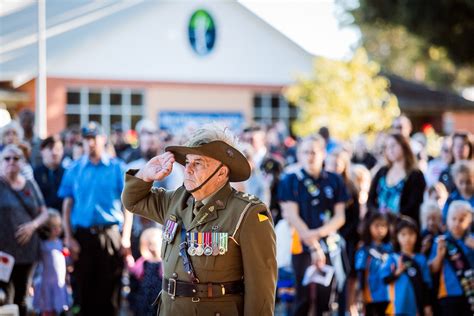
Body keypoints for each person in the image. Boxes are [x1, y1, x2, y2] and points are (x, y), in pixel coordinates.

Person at [121, 124, 277, 315]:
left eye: (198, 163)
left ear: (221, 173)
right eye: (187, 162)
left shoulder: (248, 213)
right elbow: (133, 201)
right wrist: (144, 175)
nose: (188, 170)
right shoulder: (176, 200)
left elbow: (260, 292)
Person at [58, 122, 131, 316]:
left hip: (110, 235)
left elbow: (128, 206)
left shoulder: (117, 168)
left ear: (103, 139)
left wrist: (126, 237)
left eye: (94, 138)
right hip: (83, 237)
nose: (90, 143)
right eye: (86, 139)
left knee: (110, 291)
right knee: (84, 290)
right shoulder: (74, 169)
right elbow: (67, 205)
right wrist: (68, 237)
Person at [278, 135, 349, 316]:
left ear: (323, 154)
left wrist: (318, 234)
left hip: (329, 244)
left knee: (327, 298)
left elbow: (340, 217)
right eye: (305, 152)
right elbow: (292, 215)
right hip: (301, 246)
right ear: (299, 155)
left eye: (314, 152)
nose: (310, 156)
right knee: (302, 298)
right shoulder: (290, 180)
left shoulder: (334, 180)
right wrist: (313, 243)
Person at [0, 144, 48, 316]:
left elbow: (44, 212)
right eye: (7, 158)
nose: (11, 162)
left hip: (27, 250)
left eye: (16, 158)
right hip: (3, 252)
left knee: (21, 295)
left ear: (22, 162)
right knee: (3, 296)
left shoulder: (29, 184)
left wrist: (32, 226)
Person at [368, 133, 426, 225]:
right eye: (387, 147)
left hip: (403, 227)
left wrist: (394, 216)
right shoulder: (382, 171)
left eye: (393, 145)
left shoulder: (415, 175)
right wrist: (378, 215)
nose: (390, 150)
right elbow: (371, 199)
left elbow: (414, 204)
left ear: (404, 146)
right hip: (380, 226)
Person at [429, 201, 474, 315]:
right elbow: (433, 269)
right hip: (449, 293)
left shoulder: (472, 241)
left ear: (470, 222)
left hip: (470, 293)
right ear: (447, 220)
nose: (457, 223)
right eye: (453, 219)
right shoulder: (441, 241)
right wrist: (439, 255)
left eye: (461, 219)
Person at [381, 217, 432, 316]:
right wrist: (397, 273)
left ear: (417, 236)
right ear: (397, 237)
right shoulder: (393, 258)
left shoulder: (421, 259)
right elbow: (385, 279)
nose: (407, 238)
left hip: (416, 308)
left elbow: (426, 284)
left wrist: (427, 305)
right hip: (398, 308)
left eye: (411, 234)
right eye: (403, 234)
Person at [33, 209, 71, 315]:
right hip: (46, 282)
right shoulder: (42, 245)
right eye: (54, 227)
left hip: (58, 282)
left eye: (59, 226)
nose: (58, 230)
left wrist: (68, 259)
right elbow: (37, 264)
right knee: (46, 308)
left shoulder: (60, 243)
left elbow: (64, 260)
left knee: (58, 306)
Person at [355, 212, 392, 316]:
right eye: (376, 225)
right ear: (369, 227)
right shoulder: (364, 250)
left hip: (388, 294)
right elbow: (360, 272)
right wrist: (361, 292)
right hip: (371, 295)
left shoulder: (391, 249)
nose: (380, 229)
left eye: (383, 226)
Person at [125, 227, 163, 316]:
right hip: (145, 295)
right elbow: (135, 270)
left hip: (157, 296)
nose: (152, 247)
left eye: (153, 244)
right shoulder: (144, 261)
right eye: (149, 244)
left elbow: (164, 275)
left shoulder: (162, 263)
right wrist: (128, 258)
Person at [33, 135, 65, 211]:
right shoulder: (35, 174)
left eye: (58, 149)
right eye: (50, 148)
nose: (54, 152)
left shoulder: (67, 174)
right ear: (42, 151)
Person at [442, 160, 474, 225]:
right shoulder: (451, 199)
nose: (465, 186)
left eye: (468, 182)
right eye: (461, 182)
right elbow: (445, 220)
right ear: (455, 181)